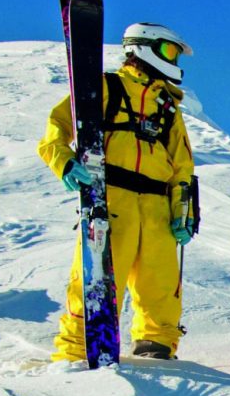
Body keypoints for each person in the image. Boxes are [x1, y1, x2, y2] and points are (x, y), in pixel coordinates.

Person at [38, 22, 197, 361]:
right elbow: (58, 126)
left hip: (157, 206)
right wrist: (64, 162)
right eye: (169, 51)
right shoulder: (104, 86)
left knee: (161, 285)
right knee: (98, 278)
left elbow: (182, 165)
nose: (172, 60)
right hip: (112, 197)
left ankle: (156, 346)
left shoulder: (168, 106)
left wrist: (183, 213)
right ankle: (79, 348)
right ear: (144, 48)